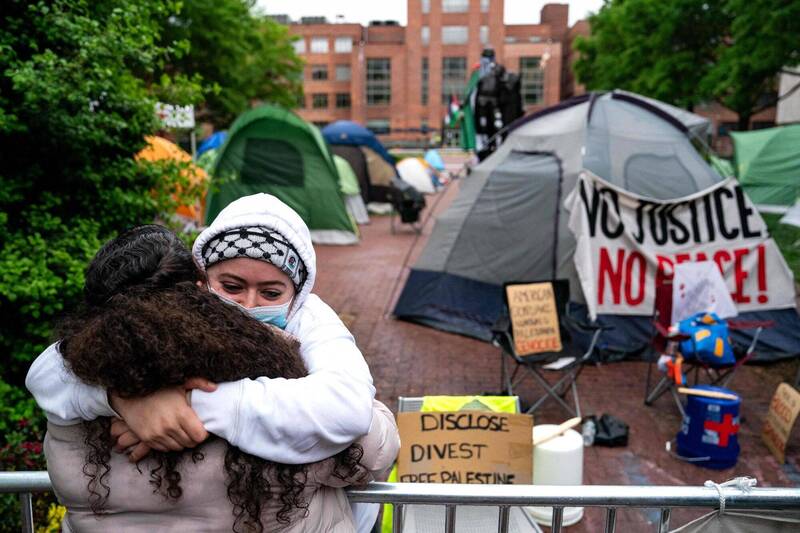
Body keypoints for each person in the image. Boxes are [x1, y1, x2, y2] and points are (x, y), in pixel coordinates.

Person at [27, 194, 381, 531]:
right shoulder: (126, 349)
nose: (249, 304)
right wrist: (122, 400)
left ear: (298, 296)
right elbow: (47, 372)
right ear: (199, 284)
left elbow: (346, 405)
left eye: (271, 293)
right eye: (231, 286)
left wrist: (184, 405)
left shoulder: (311, 321)